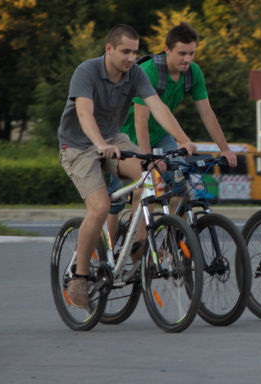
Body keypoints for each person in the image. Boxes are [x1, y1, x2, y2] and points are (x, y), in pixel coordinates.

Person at [57, 24, 196, 309]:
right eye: (125, 52)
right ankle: (80, 277)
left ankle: (135, 245)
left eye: (135, 52)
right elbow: (84, 113)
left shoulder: (134, 73)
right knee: (99, 207)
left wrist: (183, 139)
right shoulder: (87, 71)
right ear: (109, 49)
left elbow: (157, 106)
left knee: (151, 177)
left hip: (114, 140)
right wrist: (98, 143)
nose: (131, 58)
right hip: (79, 146)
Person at [106, 22, 236, 232]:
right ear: (167, 50)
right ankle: (110, 255)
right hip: (127, 136)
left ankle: (170, 245)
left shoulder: (193, 73)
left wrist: (225, 148)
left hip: (161, 134)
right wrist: (147, 158)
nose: (187, 59)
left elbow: (207, 113)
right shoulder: (149, 71)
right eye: (182, 53)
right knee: (120, 199)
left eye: (192, 53)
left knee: (182, 184)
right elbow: (141, 122)